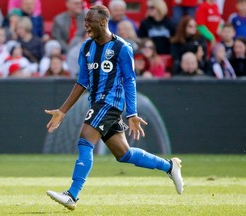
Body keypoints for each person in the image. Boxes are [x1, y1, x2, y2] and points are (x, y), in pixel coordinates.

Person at [45, 5, 184, 211]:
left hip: (110, 104)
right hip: (97, 103)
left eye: (89, 21)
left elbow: (130, 80)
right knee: (124, 154)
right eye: (85, 21)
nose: (86, 25)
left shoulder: (122, 48)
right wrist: (63, 110)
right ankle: (170, 166)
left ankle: (72, 195)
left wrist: (133, 113)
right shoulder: (86, 47)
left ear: (102, 22)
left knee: (85, 139)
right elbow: (82, 82)